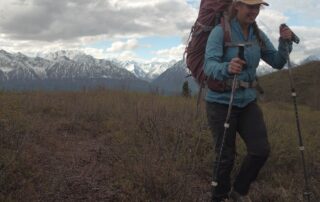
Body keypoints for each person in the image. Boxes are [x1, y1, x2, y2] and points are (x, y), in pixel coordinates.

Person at [204, 0, 293, 201]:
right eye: (249, 6)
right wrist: (227, 67)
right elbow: (208, 65)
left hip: (247, 101)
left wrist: (284, 41)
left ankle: (238, 191)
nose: (253, 11)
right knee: (225, 156)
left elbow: (278, 62)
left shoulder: (258, 35)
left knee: (260, 150)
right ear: (237, 6)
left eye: (257, 7)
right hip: (220, 102)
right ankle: (219, 196)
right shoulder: (220, 32)